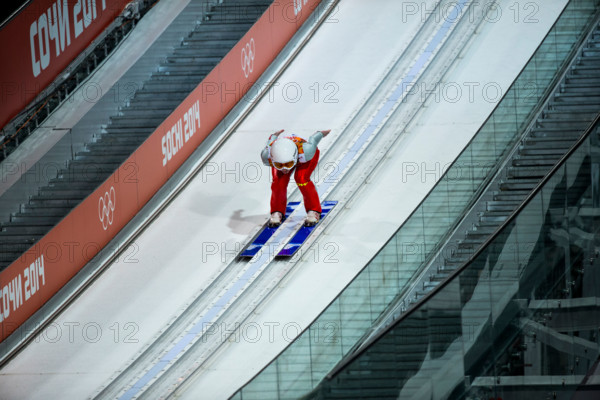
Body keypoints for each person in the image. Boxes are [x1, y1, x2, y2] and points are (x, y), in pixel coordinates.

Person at [261, 129, 331, 227]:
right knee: (278, 182)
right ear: (272, 160)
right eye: (279, 165)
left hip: (303, 158)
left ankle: (314, 210)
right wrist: (274, 135)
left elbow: (313, 139)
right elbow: (269, 143)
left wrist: (321, 133)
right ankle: (277, 211)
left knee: (302, 179)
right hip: (289, 156)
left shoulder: (307, 151)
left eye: (288, 164)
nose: (285, 169)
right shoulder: (266, 156)